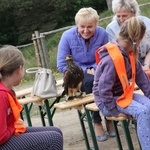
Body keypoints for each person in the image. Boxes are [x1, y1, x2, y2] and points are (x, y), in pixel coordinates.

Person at [57, 7, 115, 142]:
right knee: (90, 82)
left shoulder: (102, 34)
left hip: (99, 70)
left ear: (96, 25)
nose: (85, 30)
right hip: (76, 76)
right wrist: (84, 70)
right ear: (77, 25)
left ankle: (109, 116)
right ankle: (97, 121)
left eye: (90, 27)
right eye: (82, 26)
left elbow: (107, 55)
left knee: (108, 79)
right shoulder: (67, 36)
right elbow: (61, 64)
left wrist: (94, 67)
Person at [93, 16, 150, 150]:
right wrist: (113, 111)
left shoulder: (129, 53)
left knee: (148, 105)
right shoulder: (112, 59)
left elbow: (142, 80)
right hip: (107, 102)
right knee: (142, 111)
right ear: (138, 40)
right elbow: (103, 90)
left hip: (123, 95)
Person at [0, 45, 63, 150]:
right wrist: (13, 127)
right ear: (19, 69)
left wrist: (13, 127)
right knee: (53, 139)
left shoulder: (6, 90)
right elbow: (1, 136)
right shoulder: (1, 95)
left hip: (5, 136)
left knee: (56, 131)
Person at [106, 0, 150, 70]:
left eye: (124, 16)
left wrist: (147, 65)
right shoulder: (111, 29)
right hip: (128, 63)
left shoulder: (146, 22)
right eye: (118, 16)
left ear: (134, 13)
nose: (121, 19)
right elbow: (118, 53)